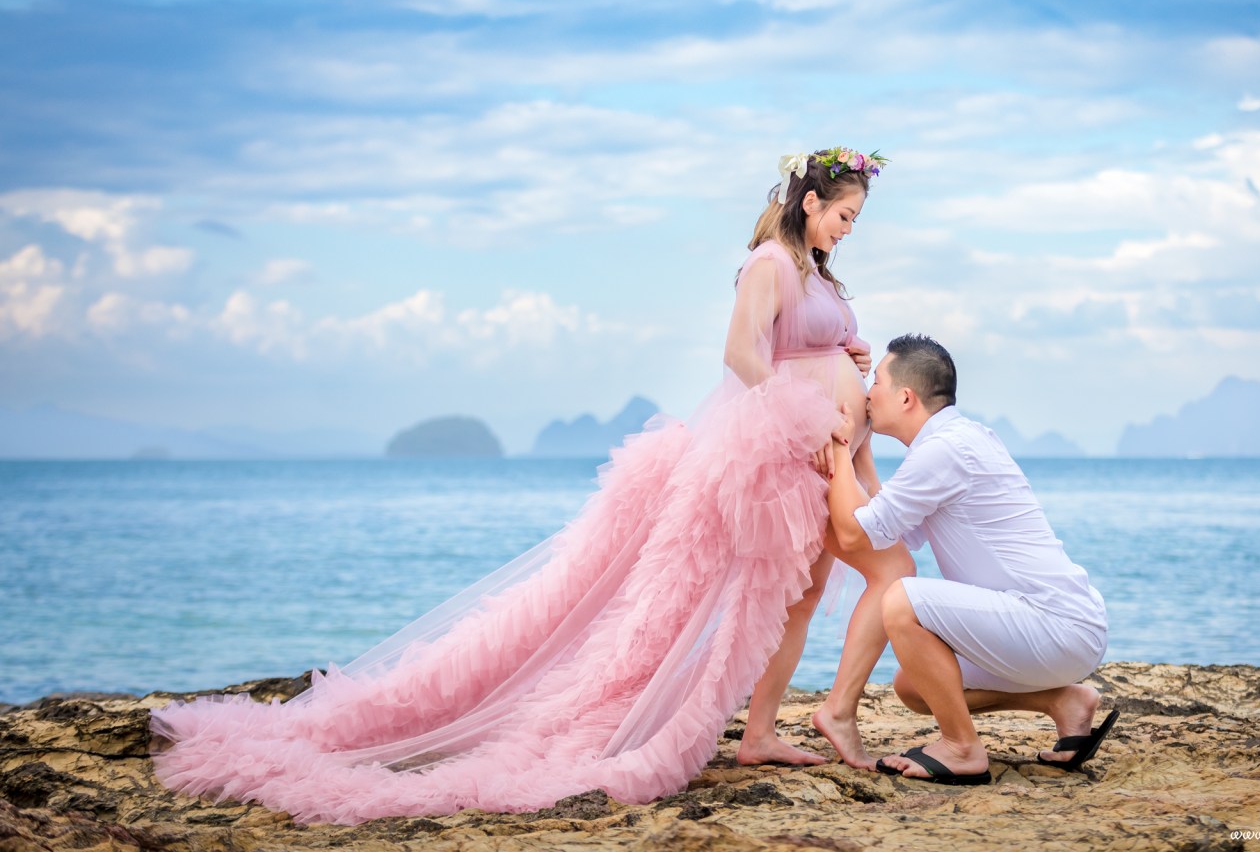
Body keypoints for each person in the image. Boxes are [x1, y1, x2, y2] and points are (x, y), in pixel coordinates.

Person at [150, 148, 911, 823]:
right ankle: (751, 727)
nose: (847, 228)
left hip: (813, 460)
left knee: (796, 598)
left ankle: (760, 731)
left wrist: (846, 348)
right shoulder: (770, 264)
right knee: (702, 604)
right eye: (843, 214)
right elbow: (743, 356)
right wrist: (807, 420)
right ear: (810, 201)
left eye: (854, 219)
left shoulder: (813, 270)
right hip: (773, 456)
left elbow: (803, 345)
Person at [823, 334, 1116, 785]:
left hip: (1054, 623)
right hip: (1059, 626)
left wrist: (839, 448)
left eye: (876, 380)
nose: (867, 392)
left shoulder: (945, 451)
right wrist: (860, 456)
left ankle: (962, 748)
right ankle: (1063, 701)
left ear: (905, 396)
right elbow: (887, 528)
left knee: (900, 600)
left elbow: (853, 531)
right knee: (914, 685)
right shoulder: (957, 441)